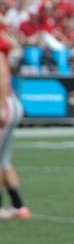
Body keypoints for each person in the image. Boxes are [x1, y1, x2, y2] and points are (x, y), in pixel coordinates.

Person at [0, 35, 30, 219]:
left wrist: (0, 107)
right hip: (8, 104)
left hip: (5, 105)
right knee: (3, 160)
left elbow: (3, 76)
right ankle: (19, 207)